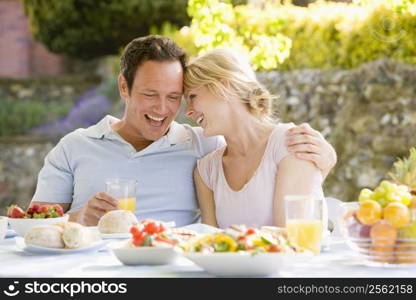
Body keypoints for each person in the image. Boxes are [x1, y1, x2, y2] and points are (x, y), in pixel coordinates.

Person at [31, 35, 336, 227]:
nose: (164, 109)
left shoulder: (203, 144)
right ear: (124, 87)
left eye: (175, 97)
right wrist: (78, 219)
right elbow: (30, 228)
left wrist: (325, 160)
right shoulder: (74, 146)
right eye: (151, 94)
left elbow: (261, 149)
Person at [184, 48, 332, 228]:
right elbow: (208, 246)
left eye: (193, 96)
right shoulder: (206, 171)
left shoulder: (291, 143)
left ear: (225, 86)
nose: (188, 111)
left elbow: (290, 238)